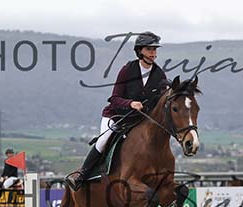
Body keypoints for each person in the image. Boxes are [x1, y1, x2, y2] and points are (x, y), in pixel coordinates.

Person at [65, 31, 168, 191]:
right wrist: (130, 103)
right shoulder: (127, 70)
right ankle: (81, 175)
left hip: (139, 120)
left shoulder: (159, 74)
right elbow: (114, 98)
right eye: (149, 49)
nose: (153, 53)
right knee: (103, 140)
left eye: (155, 49)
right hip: (116, 116)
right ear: (140, 51)